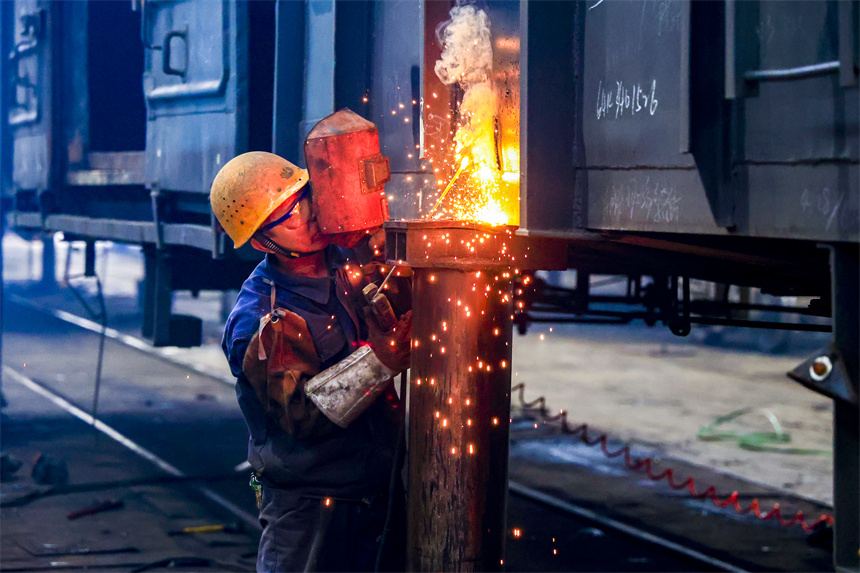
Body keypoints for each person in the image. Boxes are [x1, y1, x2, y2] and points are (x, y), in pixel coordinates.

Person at [210, 112, 411, 572]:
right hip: (310, 507)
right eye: (284, 215)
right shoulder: (263, 318)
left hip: (377, 493)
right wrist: (379, 360)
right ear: (262, 243)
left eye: (301, 198)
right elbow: (300, 414)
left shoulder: (345, 263)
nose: (304, 214)